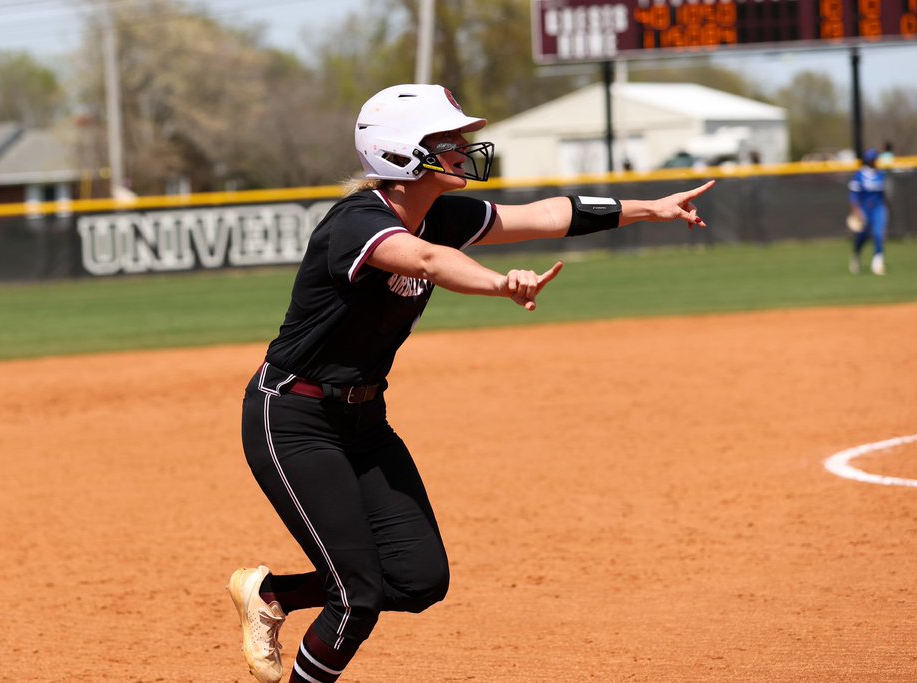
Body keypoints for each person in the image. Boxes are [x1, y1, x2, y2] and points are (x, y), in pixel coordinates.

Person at [226, 83, 713, 683]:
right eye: (445, 140)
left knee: (417, 578)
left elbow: (544, 215)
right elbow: (429, 261)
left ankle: (272, 594)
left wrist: (649, 209)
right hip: (293, 418)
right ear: (400, 154)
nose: (462, 150)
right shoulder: (356, 223)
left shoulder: (440, 215)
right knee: (358, 597)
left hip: (362, 422)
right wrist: (499, 284)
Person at [848, 148, 888, 275]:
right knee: (863, 236)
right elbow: (854, 196)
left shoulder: (880, 174)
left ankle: (878, 263)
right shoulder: (859, 175)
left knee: (878, 234)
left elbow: (883, 194)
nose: (875, 161)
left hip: (878, 208)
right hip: (864, 209)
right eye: (874, 159)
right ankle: (856, 254)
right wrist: (856, 211)